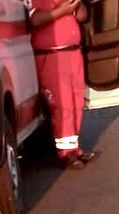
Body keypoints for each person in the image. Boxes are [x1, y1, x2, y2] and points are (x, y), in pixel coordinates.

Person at [27, 0, 97, 170]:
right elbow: (34, 20)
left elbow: (82, 16)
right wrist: (62, 11)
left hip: (73, 52)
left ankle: (74, 149)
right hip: (52, 55)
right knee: (62, 105)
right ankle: (65, 154)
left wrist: (76, 4)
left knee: (76, 103)